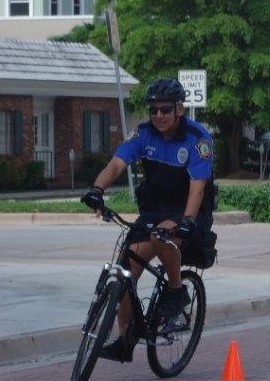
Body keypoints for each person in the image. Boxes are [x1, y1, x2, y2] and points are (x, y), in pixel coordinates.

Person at [80, 78, 215, 362]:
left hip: (188, 210)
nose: (158, 116)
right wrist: (97, 190)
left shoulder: (197, 138)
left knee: (161, 236)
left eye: (165, 110)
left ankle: (177, 292)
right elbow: (116, 164)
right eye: (153, 110)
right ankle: (125, 340)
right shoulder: (143, 135)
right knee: (124, 274)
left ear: (179, 109)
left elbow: (198, 186)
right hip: (154, 210)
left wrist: (188, 220)